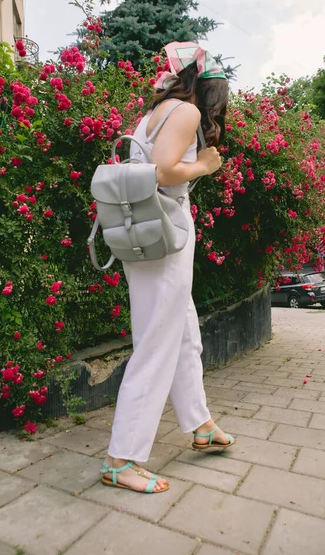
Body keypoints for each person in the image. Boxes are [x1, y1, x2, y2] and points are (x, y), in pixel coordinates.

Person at [100, 42, 235, 494]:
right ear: (208, 87)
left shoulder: (156, 111)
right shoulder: (187, 112)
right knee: (159, 340)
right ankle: (122, 459)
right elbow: (162, 169)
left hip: (151, 228)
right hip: (166, 229)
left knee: (182, 334)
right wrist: (203, 166)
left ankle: (199, 423)